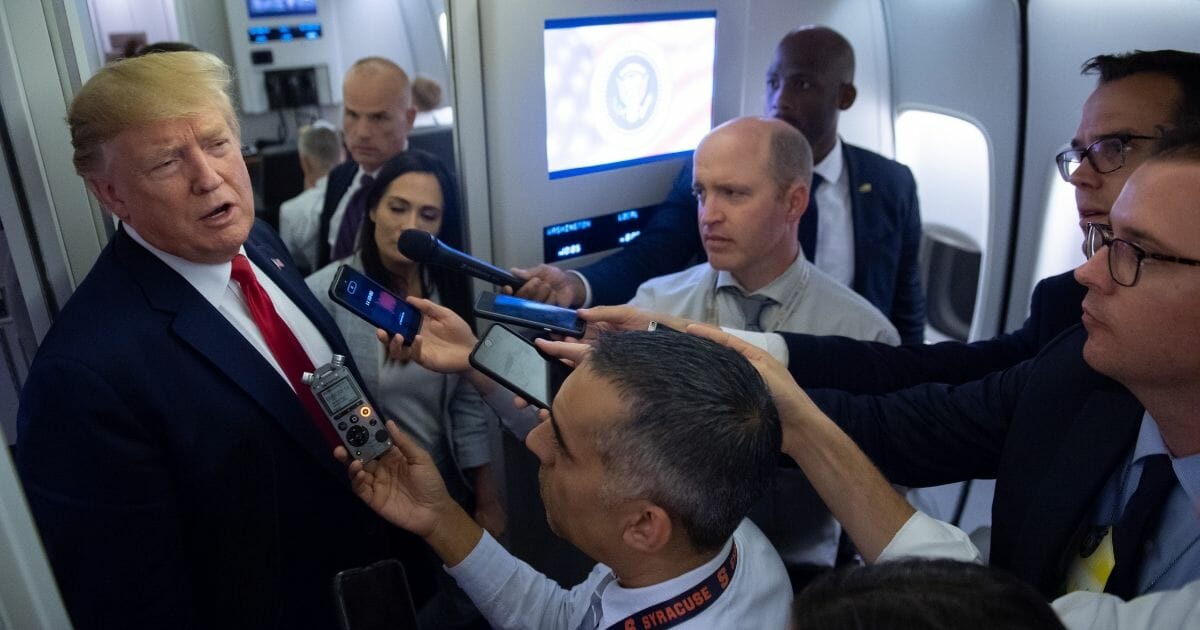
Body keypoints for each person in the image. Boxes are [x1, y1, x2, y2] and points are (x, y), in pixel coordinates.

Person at [15, 51, 433, 629]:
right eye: (167, 162)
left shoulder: (257, 240)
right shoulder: (83, 376)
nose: (209, 178)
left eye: (217, 144)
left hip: (386, 588)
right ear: (110, 194)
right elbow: (136, 606)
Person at [578, 49, 1200, 395]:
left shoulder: (884, 214)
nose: (1082, 174)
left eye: (1113, 147)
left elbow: (907, 318)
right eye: (771, 80)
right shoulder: (662, 304)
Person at [800, 120, 1200, 600]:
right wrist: (755, 397)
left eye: (1137, 253)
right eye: (1106, 240)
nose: (1087, 273)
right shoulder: (1076, 376)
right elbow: (907, 422)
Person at [339, 330, 794, 629]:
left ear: (643, 526)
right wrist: (439, 519)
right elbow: (566, 619)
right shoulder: (724, 535)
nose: (534, 443)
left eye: (562, 444)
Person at [515, 25, 927, 344]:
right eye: (772, 82)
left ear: (845, 96)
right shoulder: (716, 165)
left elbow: (906, 304)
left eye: (801, 84)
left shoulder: (892, 184)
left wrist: (911, 382)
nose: (780, 99)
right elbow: (653, 251)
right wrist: (575, 285)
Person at [627, 115, 896, 583]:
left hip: (801, 575)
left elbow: (883, 497)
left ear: (794, 202)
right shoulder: (654, 303)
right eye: (700, 193)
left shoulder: (864, 338)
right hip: (669, 568)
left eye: (733, 193)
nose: (708, 215)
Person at [305, 149, 502, 533]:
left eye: (428, 216)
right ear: (373, 209)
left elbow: (465, 402)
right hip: (371, 496)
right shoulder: (323, 293)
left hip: (445, 482)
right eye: (397, 208)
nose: (409, 226)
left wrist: (487, 496)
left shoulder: (444, 293)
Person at [317, 57, 416, 267]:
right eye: (352, 114)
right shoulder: (339, 177)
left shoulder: (428, 190)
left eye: (378, 118)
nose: (362, 133)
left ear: (409, 119)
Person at [280, 121, 342, 272]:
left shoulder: (290, 210)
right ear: (342, 155)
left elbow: (288, 261)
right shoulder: (357, 195)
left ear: (304, 161)